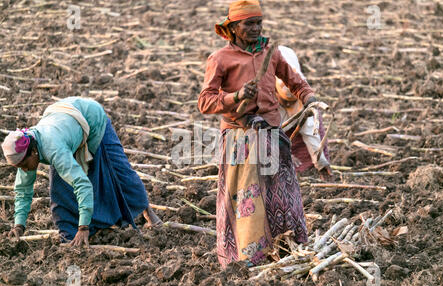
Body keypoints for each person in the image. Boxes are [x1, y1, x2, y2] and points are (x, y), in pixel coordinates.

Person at [198, 0, 328, 268]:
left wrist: (311, 99)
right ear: (233, 28)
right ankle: (246, 259)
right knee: (247, 202)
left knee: (283, 198)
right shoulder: (220, 59)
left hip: (272, 136)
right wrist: (235, 97)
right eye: (249, 24)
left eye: (259, 22)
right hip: (240, 139)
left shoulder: (273, 53)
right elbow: (205, 102)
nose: (256, 28)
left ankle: (287, 248)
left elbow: (296, 82)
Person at [1, 96, 162, 247]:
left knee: (118, 172)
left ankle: (146, 210)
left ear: (34, 152)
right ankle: (69, 236)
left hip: (92, 118)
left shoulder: (53, 149)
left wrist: (83, 227)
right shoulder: (25, 150)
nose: (24, 169)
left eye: (24, 165)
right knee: (60, 191)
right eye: (19, 168)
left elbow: (82, 184)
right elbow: (23, 191)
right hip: (62, 122)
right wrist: (19, 225)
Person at [275, 45, 333, 181]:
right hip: (269, 128)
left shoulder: (300, 88)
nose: (289, 105)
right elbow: (265, 131)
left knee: (313, 135)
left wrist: (321, 164)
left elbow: (310, 132)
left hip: (295, 119)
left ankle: (309, 169)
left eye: (292, 102)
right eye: (286, 102)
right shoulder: (265, 96)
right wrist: (283, 153)